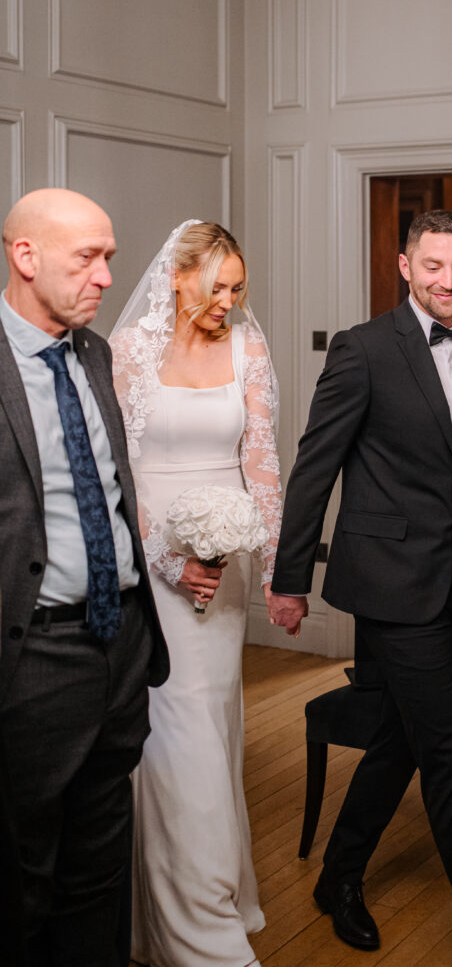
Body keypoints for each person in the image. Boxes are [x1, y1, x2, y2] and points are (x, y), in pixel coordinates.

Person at [269, 210, 452, 967]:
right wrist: (289, 579)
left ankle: (337, 877)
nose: (448, 283)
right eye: (433, 267)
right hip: (392, 588)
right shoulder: (362, 350)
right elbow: (314, 469)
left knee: (399, 740)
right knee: (448, 757)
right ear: (404, 266)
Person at [0, 188, 169, 967]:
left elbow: (110, 489)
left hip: (121, 644)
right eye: (88, 258)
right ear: (24, 257)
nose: (107, 276)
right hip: (33, 657)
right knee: (24, 872)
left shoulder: (93, 354)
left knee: (100, 865)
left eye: (109, 256)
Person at [110, 221, 281, 967]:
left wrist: (274, 569)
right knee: (175, 739)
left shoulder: (248, 347)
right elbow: (117, 471)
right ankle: (197, 929)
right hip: (151, 562)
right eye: (216, 286)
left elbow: (262, 461)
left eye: (239, 287)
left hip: (227, 565)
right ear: (177, 277)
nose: (229, 300)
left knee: (213, 729)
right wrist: (169, 561)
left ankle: (212, 891)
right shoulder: (127, 353)